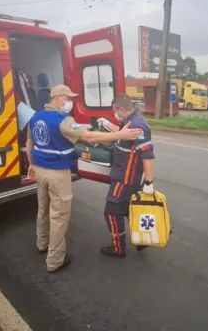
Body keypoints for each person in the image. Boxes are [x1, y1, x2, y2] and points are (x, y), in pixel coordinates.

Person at [26, 85, 143, 273]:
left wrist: (31, 164)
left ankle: (42, 243)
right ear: (58, 98)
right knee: (59, 216)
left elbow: (29, 143)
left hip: (40, 170)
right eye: (68, 98)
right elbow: (87, 136)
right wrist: (119, 135)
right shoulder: (63, 120)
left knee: (43, 209)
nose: (70, 103)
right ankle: (55, 260)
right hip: (57, 174)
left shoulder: (35, 117)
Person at [96, 93, 155, 258]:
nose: (117, 116)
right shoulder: (130, 121)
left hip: (125, 178)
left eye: (116, 113)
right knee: (128, 208)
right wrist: (107, 124)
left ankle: (118, 248)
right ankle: (143, 238)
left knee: (112, 211)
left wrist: (149, 182)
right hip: (124, 175)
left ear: (121, 109)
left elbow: (148, 156)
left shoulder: (138, 126)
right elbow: (123, 134)